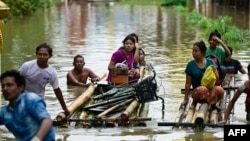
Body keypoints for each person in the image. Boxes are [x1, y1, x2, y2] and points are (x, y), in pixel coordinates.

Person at [0, 70, 55, 141]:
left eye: (9, 85)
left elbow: (47, 120)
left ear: (21, 87)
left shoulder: (30, 100)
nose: (5, 89)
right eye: (3, 86)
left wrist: (37, 139)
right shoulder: (4, 112)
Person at [18, 42, 70, 115]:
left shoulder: (52, 73)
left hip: (38, 99)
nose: (42, 57)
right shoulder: (27, 66)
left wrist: (65, 108)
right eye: (40, 54)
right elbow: (15, 81)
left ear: (50, 56)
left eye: (45, 54)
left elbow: (57, 90)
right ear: (36, 54)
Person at [179, 40, 225, 110]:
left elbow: (217, 79)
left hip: (210, 91)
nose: (193, 53)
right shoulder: (190, 65)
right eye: (193, 51)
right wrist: (185, 99)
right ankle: (194, 104)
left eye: (196, 51)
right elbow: (188, 83)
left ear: (202, 52)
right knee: (202, 89)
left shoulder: (210, 62)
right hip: (198, 93)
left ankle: (212, 104)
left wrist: (215, 70)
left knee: (220, 90)